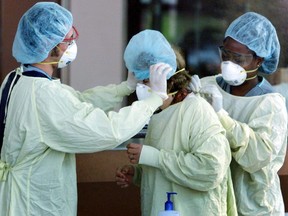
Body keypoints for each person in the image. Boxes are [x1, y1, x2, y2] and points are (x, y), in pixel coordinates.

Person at [0, 3, 172, 216]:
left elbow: (77, 103)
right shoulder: (44, 95)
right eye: (68, 40)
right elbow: (107, 130)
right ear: (49, 45)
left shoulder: (17, 78)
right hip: (32, 203)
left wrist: (124, 88)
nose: (73, 45)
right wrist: (153, 99)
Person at [115, 30, 237, 216]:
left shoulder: (196, 110)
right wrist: (138, 174)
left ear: (168, 79)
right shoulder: (160, 113)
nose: (141, 87)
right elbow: (167, 171)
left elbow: (211, 169)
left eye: (146, 80)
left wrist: (153, 157)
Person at [190, 12, 287, 215]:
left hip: (254, 206)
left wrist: (221, 115)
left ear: (259, 60)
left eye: (238, 59)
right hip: (215, 203)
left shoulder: (270, 103)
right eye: (225, 54)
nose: (228, 63)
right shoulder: (208, 87)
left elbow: (256, 157)